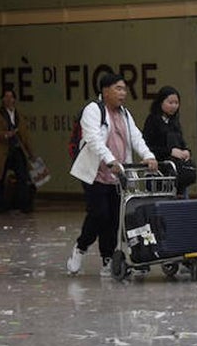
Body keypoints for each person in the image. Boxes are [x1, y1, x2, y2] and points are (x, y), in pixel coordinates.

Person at [66, 73, 158, 276]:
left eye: (124, 89)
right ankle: (81, 247)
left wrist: (148, 156)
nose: (123, 93)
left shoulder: (124, 113)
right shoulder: (93, 110)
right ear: (105, 90)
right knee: (99, 214)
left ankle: (107, 258)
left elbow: (136, 137)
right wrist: (110, 161)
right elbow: (93, 139)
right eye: (118, 88)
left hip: (118, 175)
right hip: (95, 173)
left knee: (114, 219)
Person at [0, 88, 36, 213]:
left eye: (11, 97)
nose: (8, 100)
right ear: (3, 99)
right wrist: (5, 134)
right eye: (6, 97)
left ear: (14, 99)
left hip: (17, 149)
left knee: (22, 176)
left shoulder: (19, 116)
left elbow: (25, 137)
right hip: (3, 150)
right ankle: (1, 206)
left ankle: (23, 205)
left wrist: (31, 153)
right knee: (0, 178)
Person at [142, 86, 193, 197]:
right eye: (170, 102)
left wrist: (186, 151)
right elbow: (147, 146)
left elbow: (182, 143)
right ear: (161, 102)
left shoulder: (174, 122)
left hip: (178, 173)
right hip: (159, 172)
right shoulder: (153, 120)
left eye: (176, 103)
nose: (174, 106)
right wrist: (169, 151)